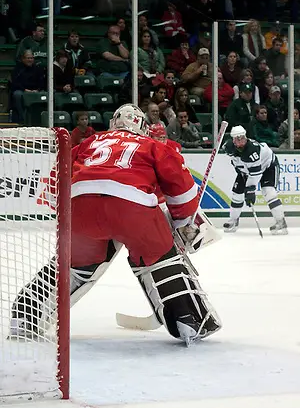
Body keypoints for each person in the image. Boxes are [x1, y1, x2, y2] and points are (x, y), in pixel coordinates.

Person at [10, 104, 221, 346]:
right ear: (143, 127)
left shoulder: (90, 142)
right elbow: (181, 190)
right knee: (160, 258)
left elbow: (51, 189)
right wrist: (184, 221)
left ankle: (26, 316)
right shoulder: (152, 145)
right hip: (133, 209)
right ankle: (188, 321)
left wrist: (78, 220)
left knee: (73, 266)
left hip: (79, 206)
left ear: (113, 123)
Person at [222, 125, 287, 235]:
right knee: (237, 193)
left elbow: (255, 174)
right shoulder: (228, 147)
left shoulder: (252, 151)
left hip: (268, 167)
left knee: (268, 192)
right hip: (246, 170)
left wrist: (250, 190)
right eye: (237, 138)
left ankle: (281, 222)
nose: (241, 140)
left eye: (242, 137)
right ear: (233, 140)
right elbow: (236, 162)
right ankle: (233, 221)